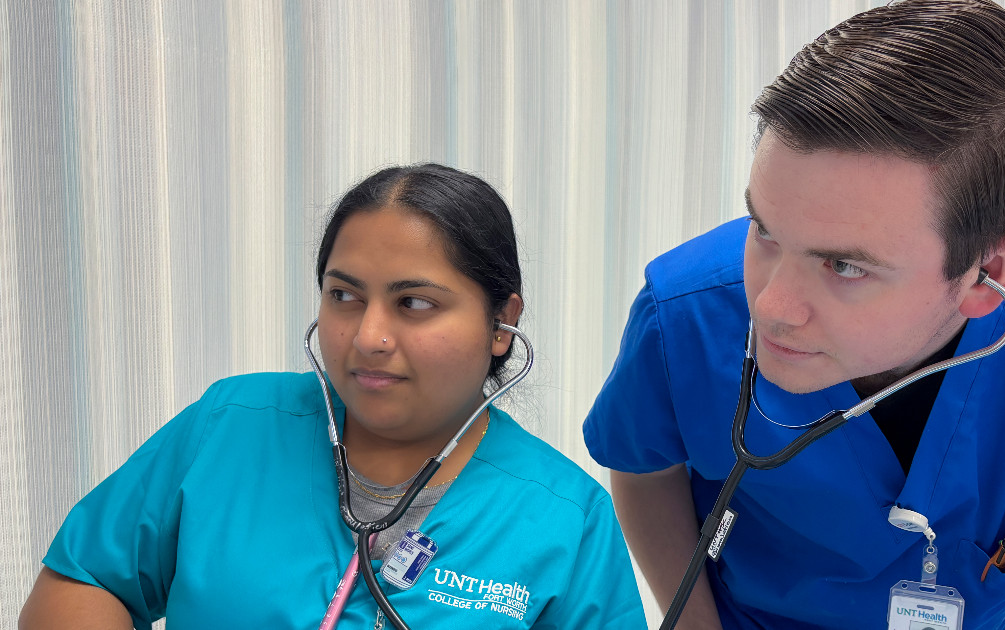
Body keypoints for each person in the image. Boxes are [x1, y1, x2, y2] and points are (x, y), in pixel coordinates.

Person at [583, 1, 1005, 629]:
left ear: (990, 274)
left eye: (845, 267)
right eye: (764, 228)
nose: (769, 308)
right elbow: (642, 464)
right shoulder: (685, 311)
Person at [21, 163, 647, 629]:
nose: (368, 336)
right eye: (344, 296)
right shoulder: (231, 427)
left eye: (415, 304)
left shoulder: (568, 521)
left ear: (500, 324)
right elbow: (85, 578)